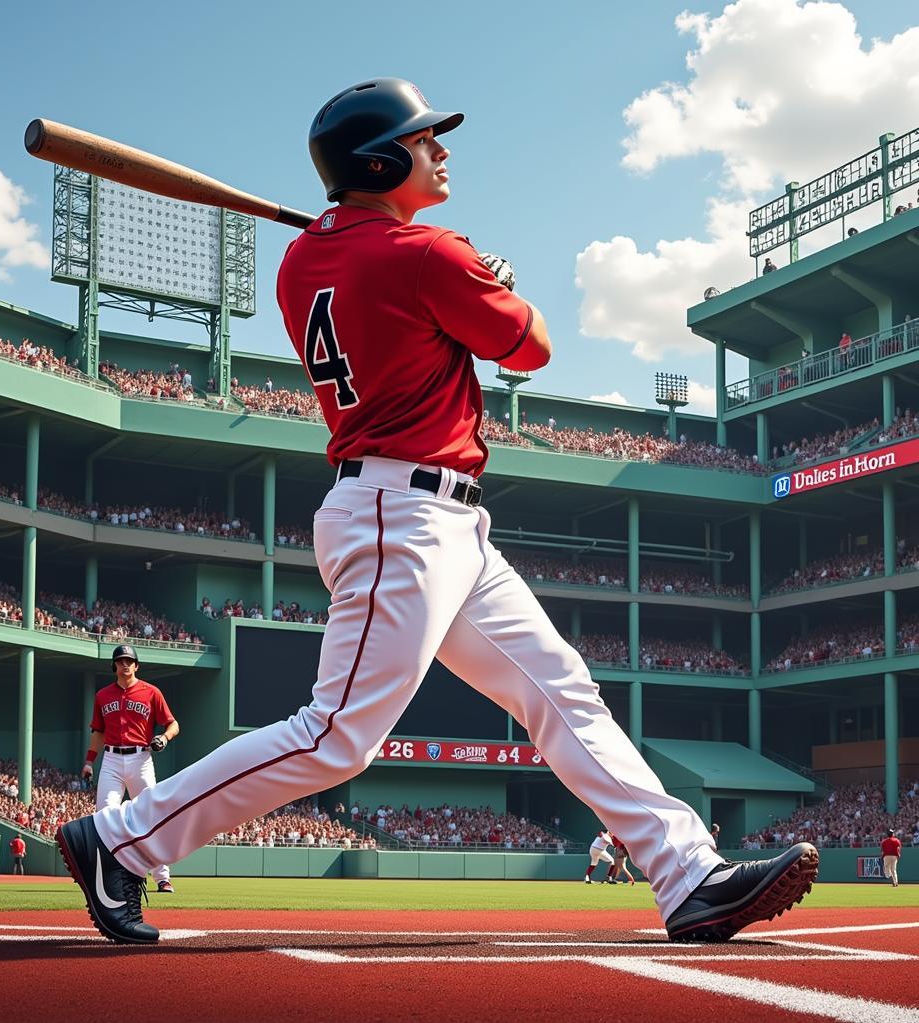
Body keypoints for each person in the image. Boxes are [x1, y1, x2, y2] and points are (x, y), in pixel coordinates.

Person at [56, 76, 818, 947]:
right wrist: (489, 276)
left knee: (563, 696)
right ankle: (118, 837)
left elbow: (380, 279)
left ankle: (688, 875)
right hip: (400, 514)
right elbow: (529, 345)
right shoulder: (426, 254)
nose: (442, 149)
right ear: (381, 160)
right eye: (424, 141)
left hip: (438, 520)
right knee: (337, 737)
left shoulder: (308, 260)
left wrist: (438, 257)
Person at [83, 644, 179, 894]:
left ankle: (162, 877)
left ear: (136, 665)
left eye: (129, 660)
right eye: (120, 660)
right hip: (112, 760)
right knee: (104, 816)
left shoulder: (151, 692)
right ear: (114, 666)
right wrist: (89, 762)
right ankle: (110, 877)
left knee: (151, 815)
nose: (125, 664)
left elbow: (172, 724)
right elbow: (98, 732)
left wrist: (164, 739)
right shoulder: (103, 695)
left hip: (141, 758)